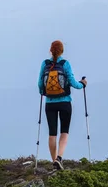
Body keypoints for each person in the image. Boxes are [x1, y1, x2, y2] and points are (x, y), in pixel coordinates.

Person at [37, 40, 87, 170]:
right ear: (62, 51)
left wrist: (43, 92)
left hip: (50, 103)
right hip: (65, 102)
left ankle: (54, 160)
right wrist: (82, 84)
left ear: (50, 50)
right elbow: (72, 82)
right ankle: (59, 158)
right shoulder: (65, 64)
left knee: (52, 133)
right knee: (64, 132)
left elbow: (39, 84)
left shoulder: (45, 64)